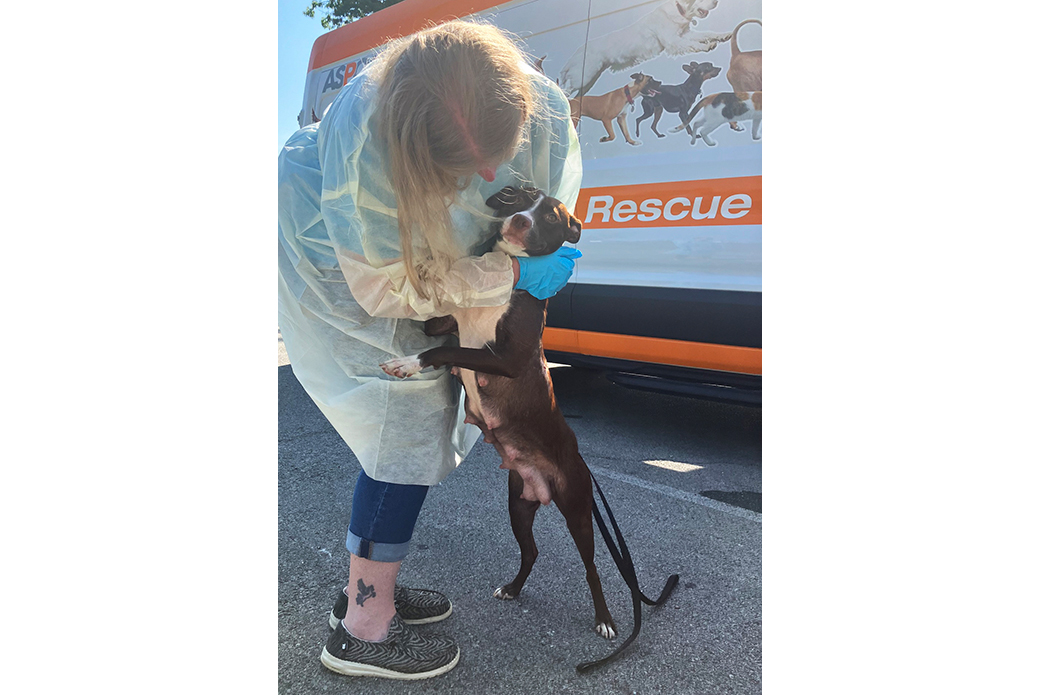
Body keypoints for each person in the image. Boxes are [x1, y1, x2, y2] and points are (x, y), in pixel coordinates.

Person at [277, 20, 582, 680]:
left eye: (501, 153)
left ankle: (366, 588)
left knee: (410, 430)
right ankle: (363, 629)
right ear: (414, 150)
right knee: (403, 431)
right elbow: (386, 285)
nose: (489, 174)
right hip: (347, 268)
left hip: (439, 271)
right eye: (463, 168)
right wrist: (506, 276)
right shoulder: (366, 147)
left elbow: (527, 215)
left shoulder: (542, 108)